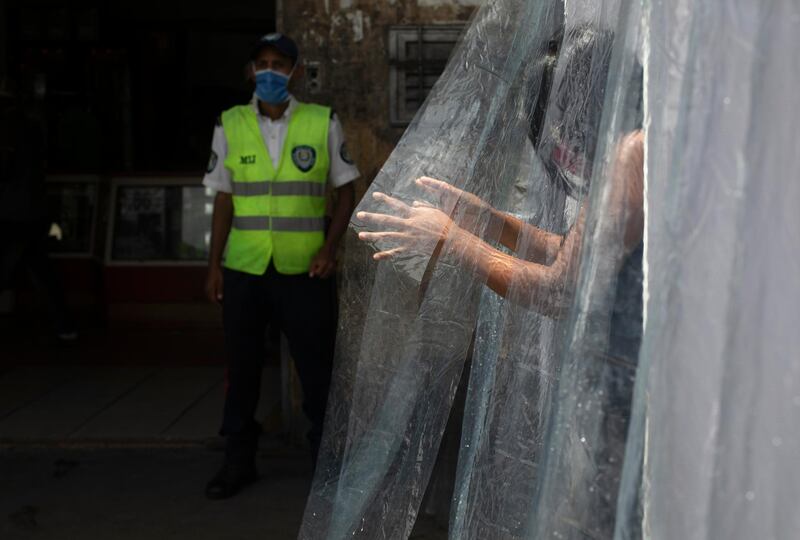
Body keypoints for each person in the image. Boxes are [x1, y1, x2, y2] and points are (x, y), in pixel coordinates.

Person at [357, 25, 644, 537]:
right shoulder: (628, 147)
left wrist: (452, 240)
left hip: (628, 387)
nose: (559, 146)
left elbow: (561, 290)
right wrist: (491, 221)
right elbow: (575, 255)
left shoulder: (630, 155)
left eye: (560, 121)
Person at [202, 33, 359, 500]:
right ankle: (238, 461)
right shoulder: (229, 123)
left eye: (279, 63)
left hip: (304, 271)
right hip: (245, 269)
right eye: (262, 63)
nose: (270, 71)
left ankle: (326, 466)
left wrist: (330, 249)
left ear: (294, 71)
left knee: (317, 371)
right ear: (252, 71)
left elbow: (346, 190)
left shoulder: (321, 121)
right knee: (244, 369)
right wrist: (214, 266)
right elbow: (224, 199)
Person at [0, 76, 76, 342]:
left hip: (12, 210)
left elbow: (6, 167)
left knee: (14, 265)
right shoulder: (32, 127)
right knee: (41, 270)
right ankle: (64, 325)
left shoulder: (9, 129)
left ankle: (64, 324)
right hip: (33, 209)